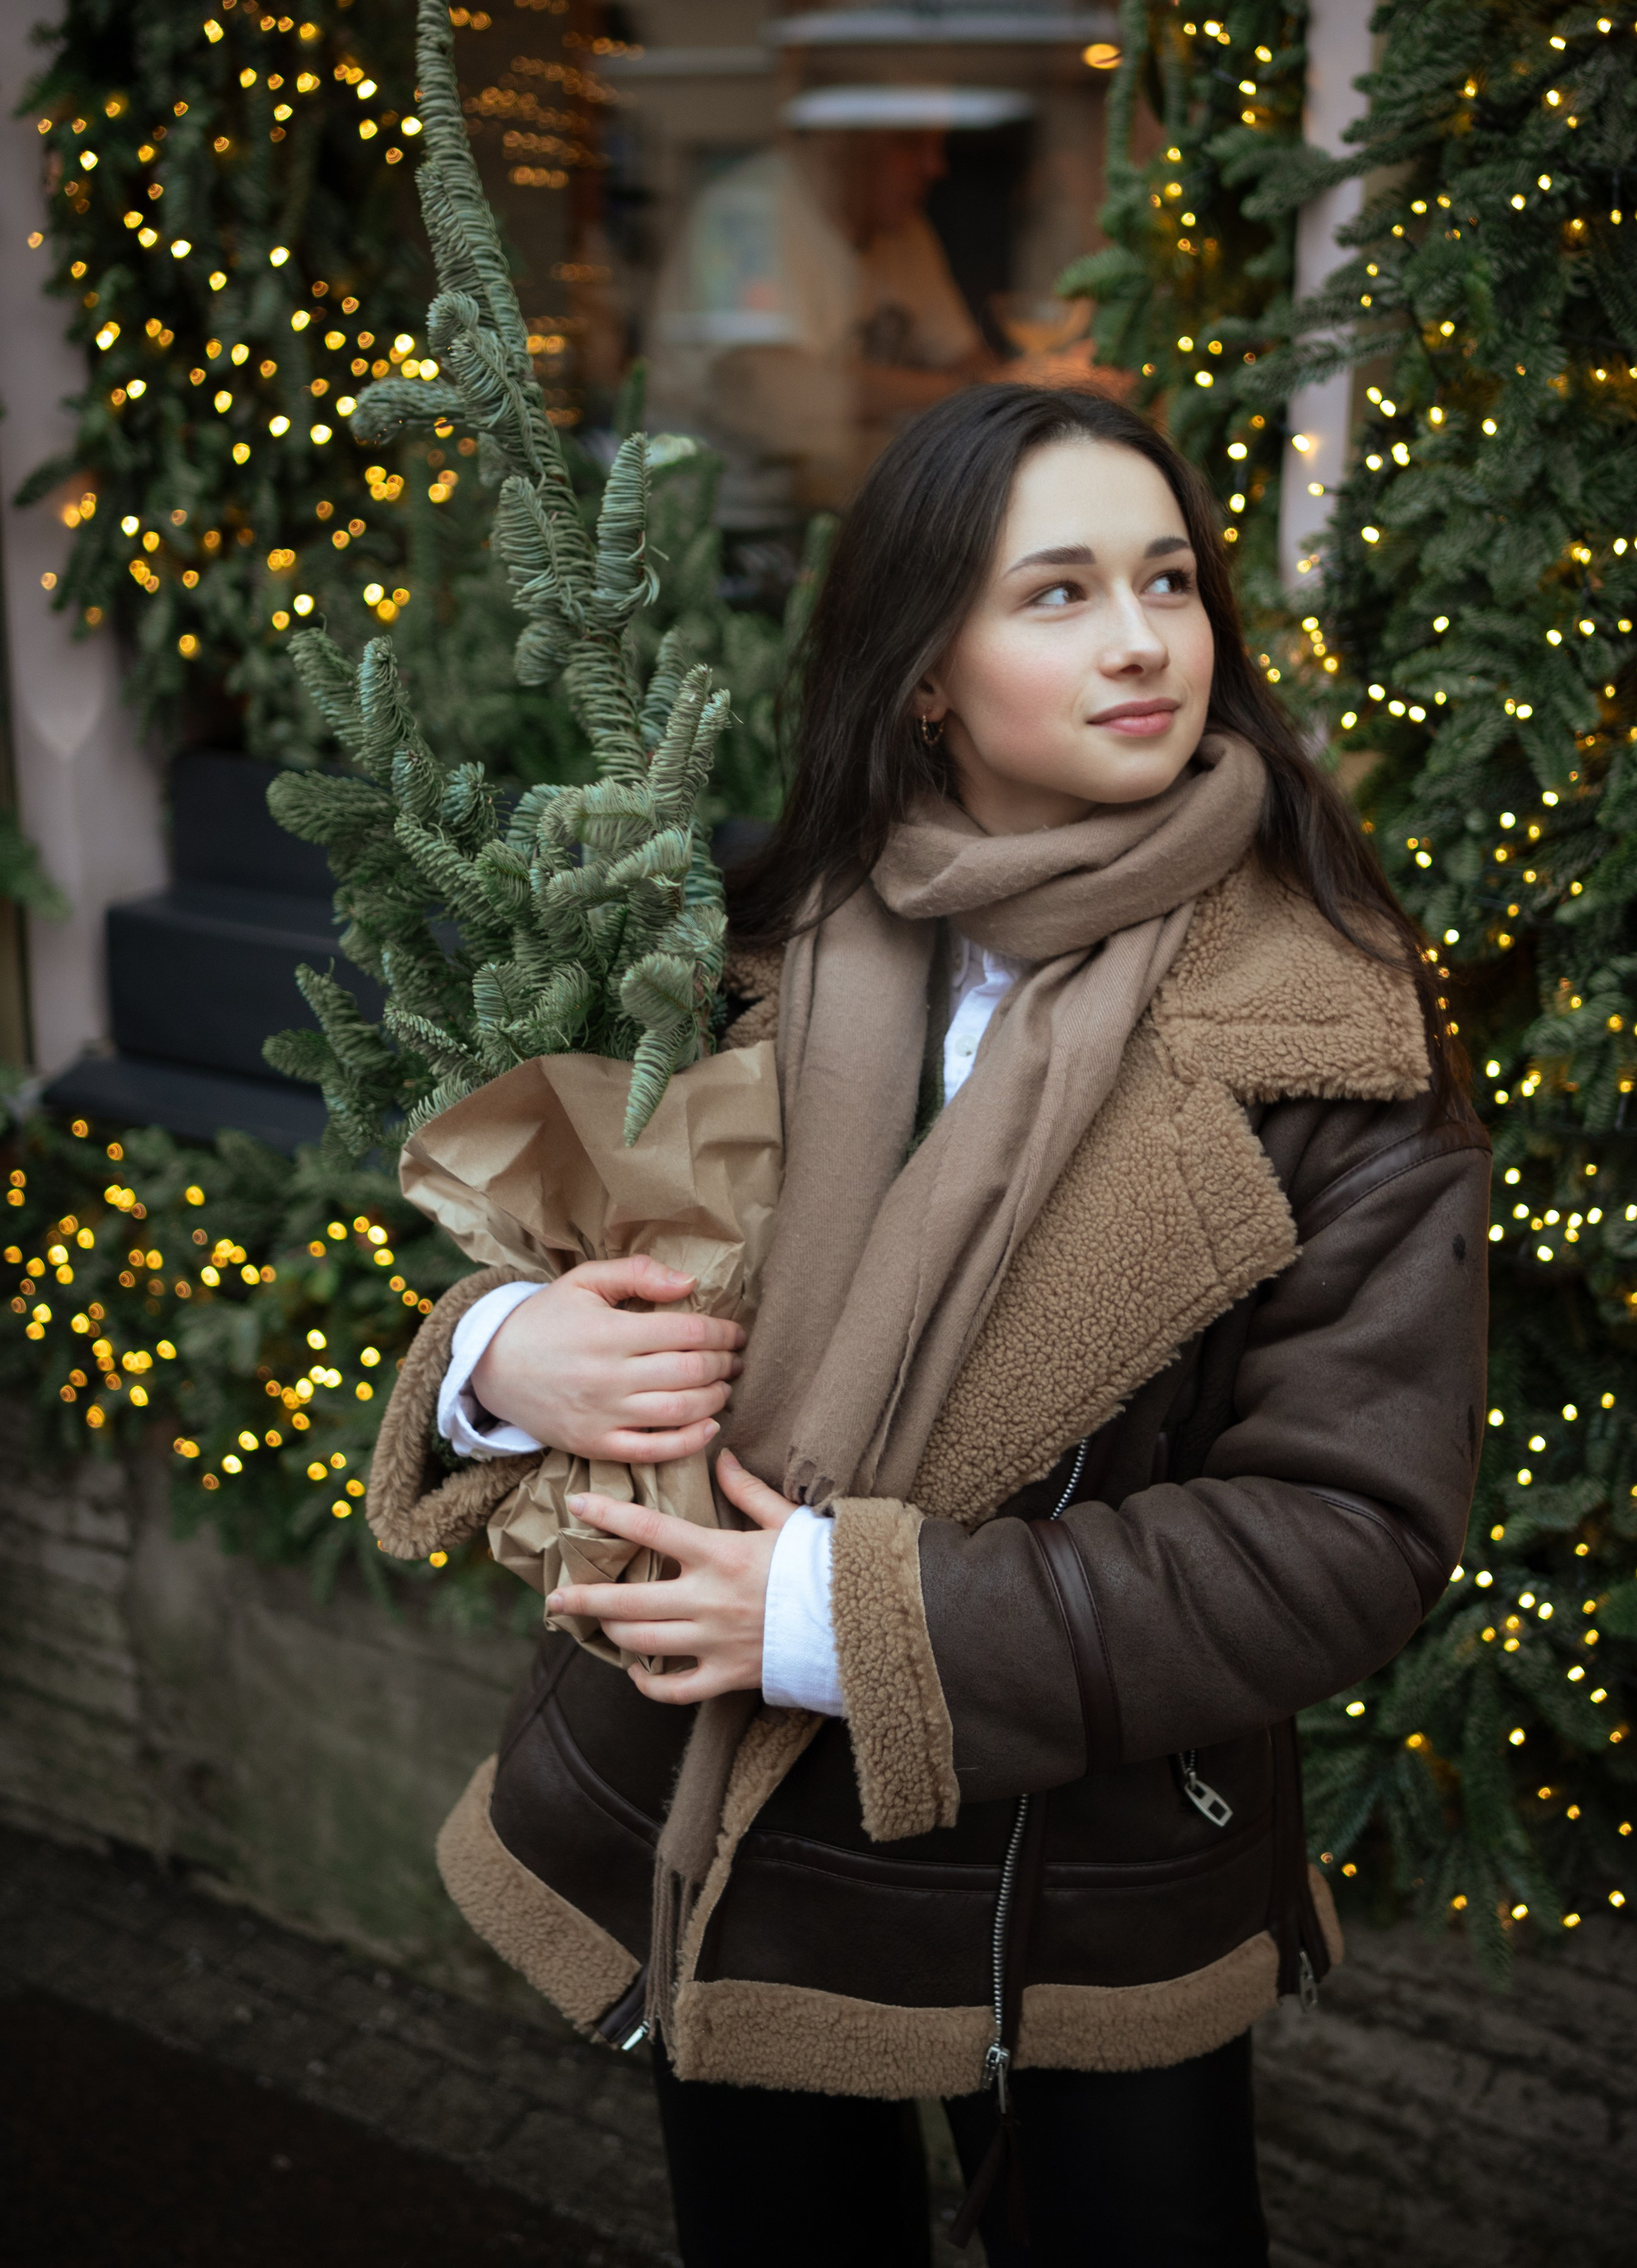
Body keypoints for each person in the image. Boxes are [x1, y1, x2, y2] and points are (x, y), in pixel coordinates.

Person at [368, 384, 1488, 2267]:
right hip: (723, 1825)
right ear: (926, 677)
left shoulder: (1338, 1042)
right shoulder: (763, 938)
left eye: (1170, 580)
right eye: (1055, 592)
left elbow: (1347, 1537)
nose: (1144, 640)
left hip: (1085, 1859)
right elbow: (602, 1232)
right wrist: (499, 1357)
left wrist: (829, 1615)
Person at [647, 124, 995, 514]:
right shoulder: (748, 211)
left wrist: (1004, 385)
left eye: (939, 145)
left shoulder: (905, 231)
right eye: (909, 143)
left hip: (842, 509)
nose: (936, 167)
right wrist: (976, 389)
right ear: (839, 140)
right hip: (717, 523)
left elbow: (964, 357)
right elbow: (781, 397)